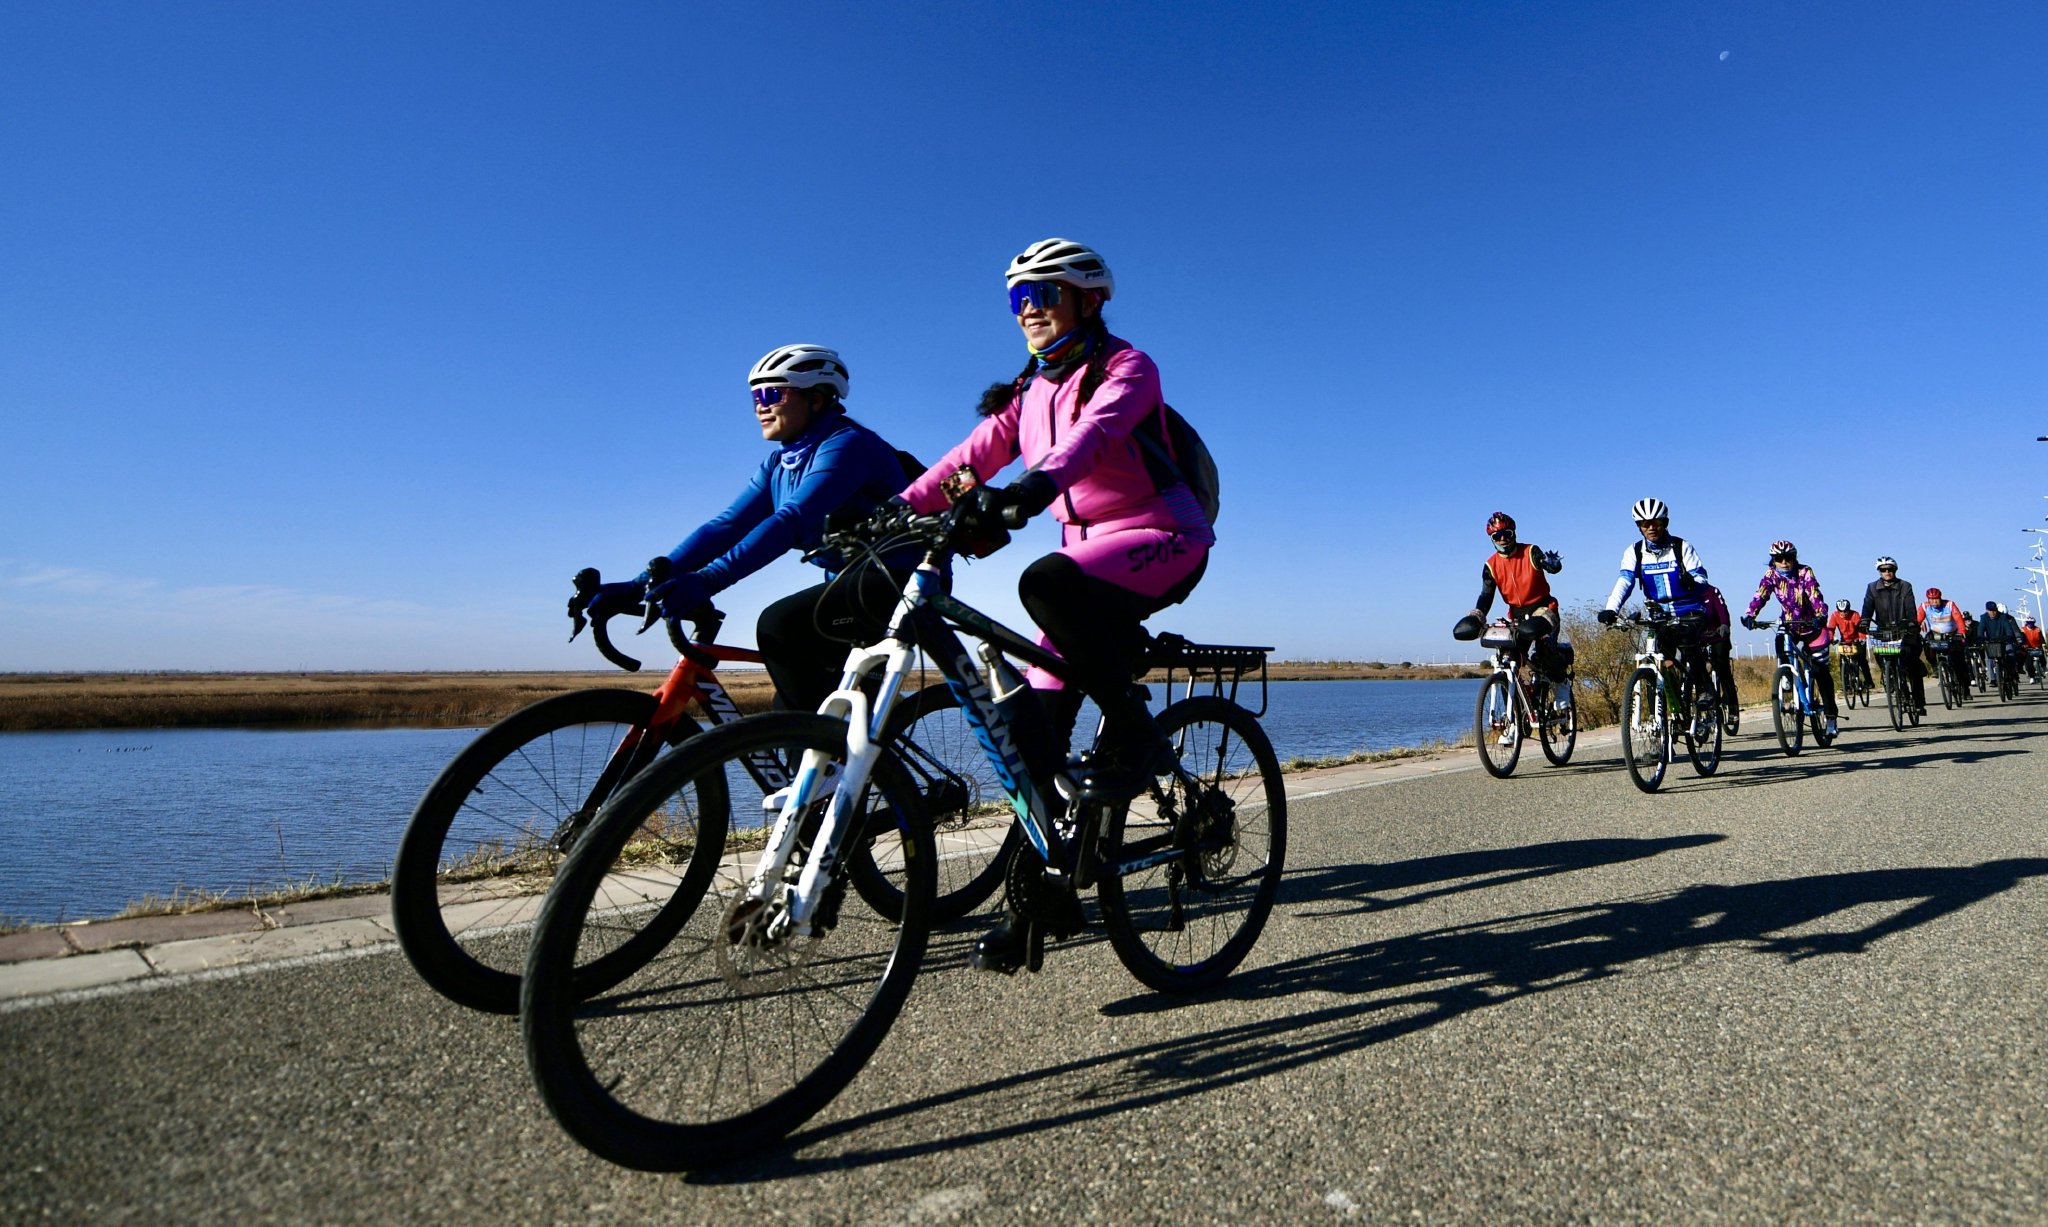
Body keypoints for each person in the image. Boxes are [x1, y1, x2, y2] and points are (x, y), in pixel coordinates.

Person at [896, 237, 1214, 974]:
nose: (1029, 309)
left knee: (1044, 583)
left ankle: (1135, 733)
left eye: (1044, 293)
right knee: (1031, 743)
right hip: (1083, 560)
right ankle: (1039, 902)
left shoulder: (1127, 367)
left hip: (1163, 536)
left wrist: (1035, 486)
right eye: (1018, 298)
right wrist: (895, 509)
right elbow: (967, 460)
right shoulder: (1027, 391)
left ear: (1089, 298)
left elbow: (1093, 436)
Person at [584, 344, 917, 712]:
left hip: (897, 581)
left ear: (817, 399)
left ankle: (833, 758)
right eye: (756, 395)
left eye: (774, 392)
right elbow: (725, 526)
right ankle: (841, 761)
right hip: (848, 585)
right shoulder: (779, 463)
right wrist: (638, 585)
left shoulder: (848, 446)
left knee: (779, 626)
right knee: (788, 711)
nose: (761, 405)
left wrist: (709, 580)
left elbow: (791, 520)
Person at [1598, 498, 1723, 715]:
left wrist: (1692, 583)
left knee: (1687, 641)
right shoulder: (1634, 552)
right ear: (1639, 527)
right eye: (1645, 524)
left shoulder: (1681, 547)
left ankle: (1704, 689)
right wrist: (1612, 608)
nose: (1651, 528)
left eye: (1655, 522)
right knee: (1659, 655)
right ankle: (1669, 708)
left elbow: (1703, 581)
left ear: (1665, 522)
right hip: (1659, 615)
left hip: (1689, 610)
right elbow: (1625, 581)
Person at [1459, 511, 1569, 711]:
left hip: (1544, 609)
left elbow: (1547, 564)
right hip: (1517, 615)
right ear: (1491, 539)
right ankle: (1515, 718)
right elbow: (1486, 595)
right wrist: (1477, 615)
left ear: (1514, 533)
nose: (1503, 540)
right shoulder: (1490, 565)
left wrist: (1552, 564)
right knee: (1509, 661)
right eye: (1497, 536)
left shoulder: (1530, 551)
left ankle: (1561, 683)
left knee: (1544, 652)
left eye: (1507, 534)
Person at [1740, 540, 1838, 738]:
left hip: (1813, 625)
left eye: (1789, 558)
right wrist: (1750, 615)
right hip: (1789, 623)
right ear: (1773, 560)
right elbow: (1761, 595)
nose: (1784, 562)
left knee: (1820, 670)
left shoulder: (1805, 572)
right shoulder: (1771, 575)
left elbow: (1814, 594)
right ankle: (1786, 677)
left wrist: (1821, 614)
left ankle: (1830, 718)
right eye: (1779, 559)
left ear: (1795, 558)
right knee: (1780, 643)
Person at [1860, 556, 1927, 713]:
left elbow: (1911, 607)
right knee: (1882, 658)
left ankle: (1918, 702)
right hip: (1884, 632)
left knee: (1912, 665)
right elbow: (1867, 607)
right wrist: (1864, 621)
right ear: (1879, 572)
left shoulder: (1905, 586)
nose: (1887, 572)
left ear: (1895, 570)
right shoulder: (1872, 588)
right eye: (1883, 570)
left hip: (1905, 630)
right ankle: (1890, 677)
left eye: (1890, 569)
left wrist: (1911, 622)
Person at [1919, 587, 1972, 698]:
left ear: (1940, 598)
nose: (1934, 602)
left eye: (1936, 599)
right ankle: (1935, 667)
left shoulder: (1949, 604)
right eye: (1931, 599)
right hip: (1935, 634)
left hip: (1952, 634)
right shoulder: (1924, 606)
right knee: (1926, 645)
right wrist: (1915, 629)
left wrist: (1962, 632)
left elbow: (1958, 618)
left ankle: (1965, 687)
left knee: (1958, 661)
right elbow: (1917, 620)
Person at [1828, 598, 1874, 692]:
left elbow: (1861, 628)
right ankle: (1846, 685)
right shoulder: (1834, 615)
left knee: (1862, 661)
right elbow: (1830, 629)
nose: (1843, 613)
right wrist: (1832, 638)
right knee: (1842, 662)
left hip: (1857, 640)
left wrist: (1862, 638)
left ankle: (1869, 681)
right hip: (1844, 641)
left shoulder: (1855, 615)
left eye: (1845, 611)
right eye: (1841, 611)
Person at [1977, 601, 2022, 690]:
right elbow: (1981, 629)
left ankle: (2012, 674)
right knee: (1989, 659)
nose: (1993, 612)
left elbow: (2008, 629)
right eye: (1990, 610)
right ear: (1987, 610)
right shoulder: (1984, 618)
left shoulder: (2003, 617)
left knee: (2010, 655)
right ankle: (1993, 679)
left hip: (2004, 640)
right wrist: (1980, 638)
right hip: (1991, 642)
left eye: (1994, 610)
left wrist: (2009, 636)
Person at [2021, 616, 2044, 682]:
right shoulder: (2023, 630)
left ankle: (2044, 667)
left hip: (2037, 647)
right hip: (2028, 648)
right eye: (2029, 623)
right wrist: (2023, 645)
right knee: (2029, 663)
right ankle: (2032, 677)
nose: (2030, 624)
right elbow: (2022, 638)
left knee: (2042, 653)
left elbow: (2041, 638)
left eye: (2032, 623)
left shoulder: (2037, 629)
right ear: (2026, 623)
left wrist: (2043, 644)